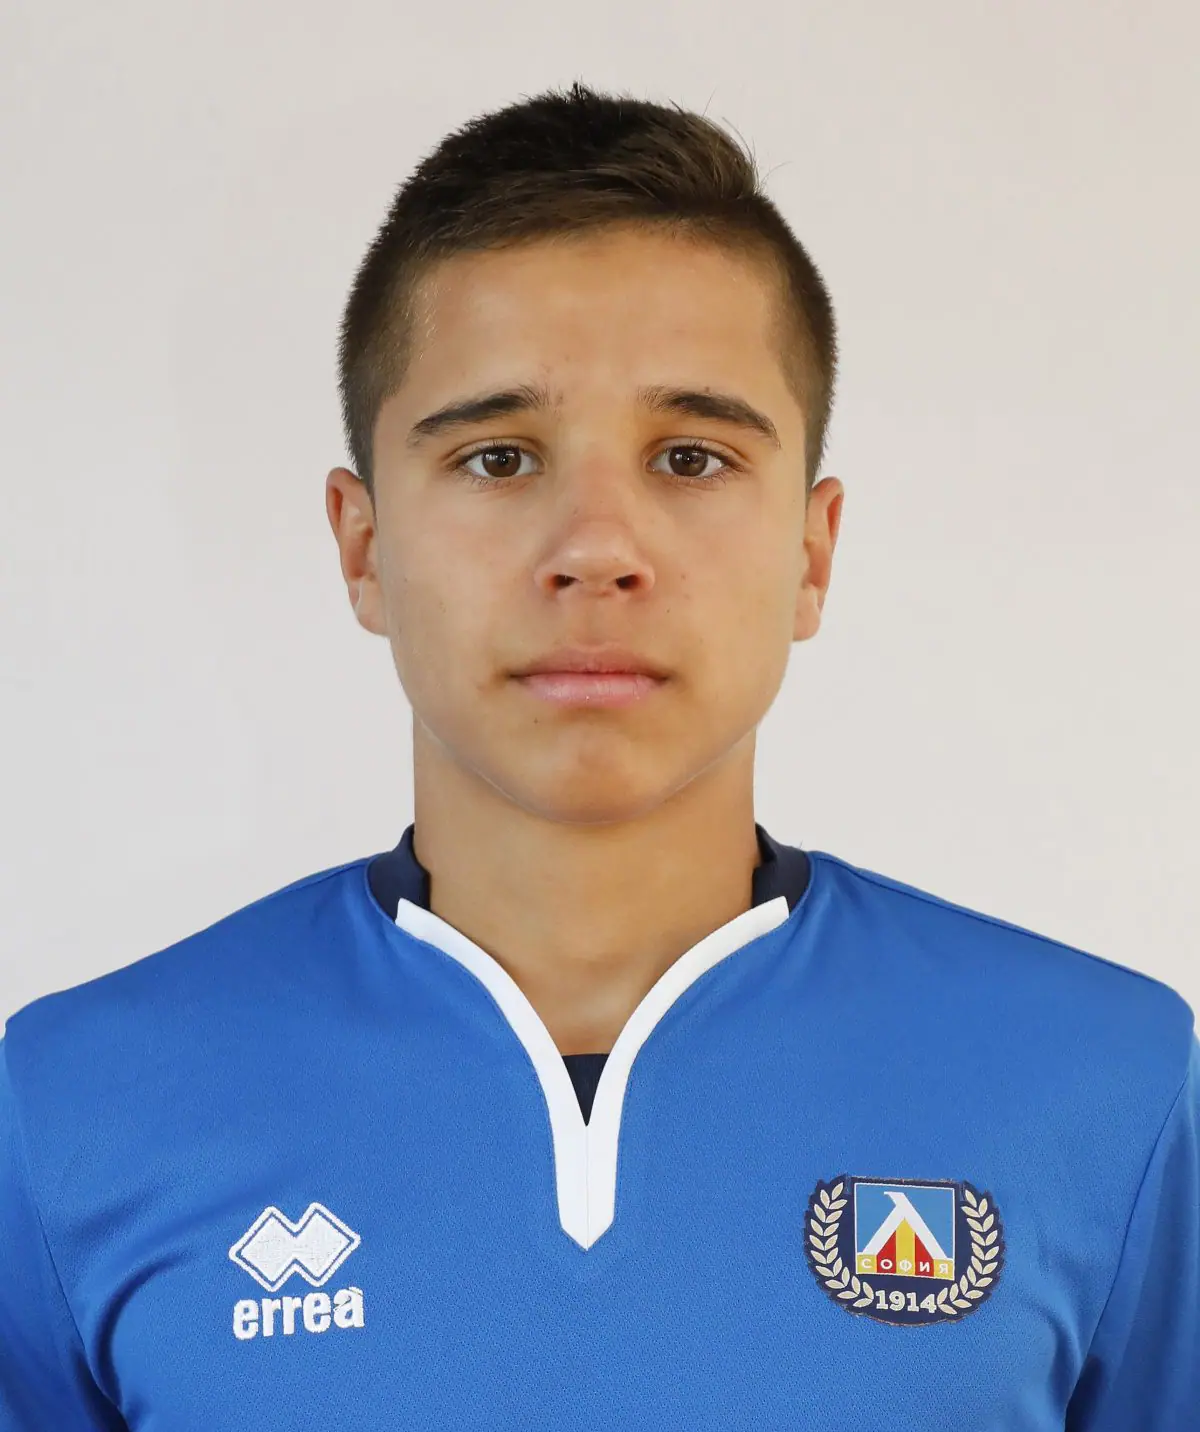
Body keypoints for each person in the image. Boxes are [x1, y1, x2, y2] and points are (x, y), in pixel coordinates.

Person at [1, 80, 1196, 1431]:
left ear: (812, 553)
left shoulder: (1107, 1084)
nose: (595, 549)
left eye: (689, 458)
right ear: (363, 545)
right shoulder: (73, 1106)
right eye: (498, 458)